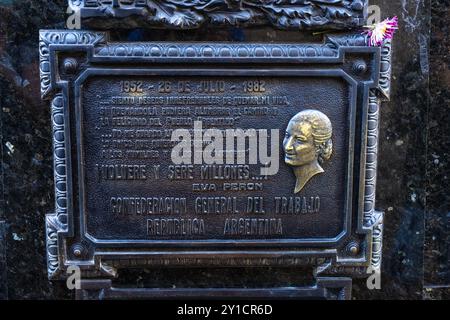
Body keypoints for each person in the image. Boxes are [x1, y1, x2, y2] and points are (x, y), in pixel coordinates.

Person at [283, 109, 333, 193]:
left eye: (299, 140)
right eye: (287, 136)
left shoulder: (321, 187)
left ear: (320, 146)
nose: (288, 147)